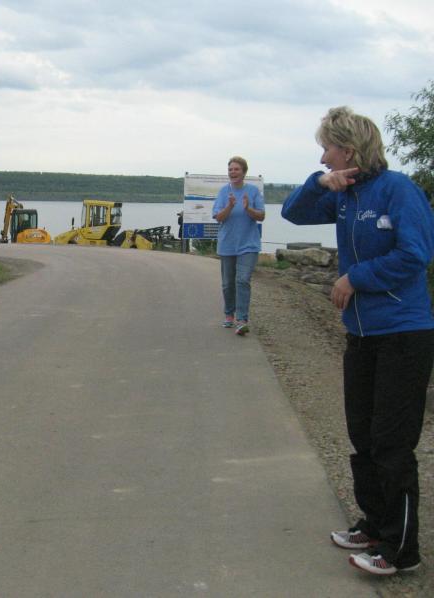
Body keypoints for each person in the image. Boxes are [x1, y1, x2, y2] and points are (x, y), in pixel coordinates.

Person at [282, 106, 434, 576]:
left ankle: (401, 550)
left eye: (326, 149)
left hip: (404, 333)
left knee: (392, 443)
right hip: (362, 334)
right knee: (363, 435)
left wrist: (355, 277)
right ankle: (373, 524)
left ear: (348, 149)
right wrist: (318, 183)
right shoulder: (345, 194)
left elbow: (416, 254)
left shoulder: (398, 190)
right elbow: (292, 213)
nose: (323, 157)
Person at [212, 156, 265, 335]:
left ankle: (242, 320)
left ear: (244, 172)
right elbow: (218, 217)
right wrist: (229, 206)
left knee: (242, 280)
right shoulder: (223, 192)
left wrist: (248, 208)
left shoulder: (253, 191)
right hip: (227, 244)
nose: (233, 172)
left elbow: (261, 216)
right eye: (230, 169)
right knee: (228, 284)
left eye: (236, 169)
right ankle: (229, 314)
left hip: (248, 244)